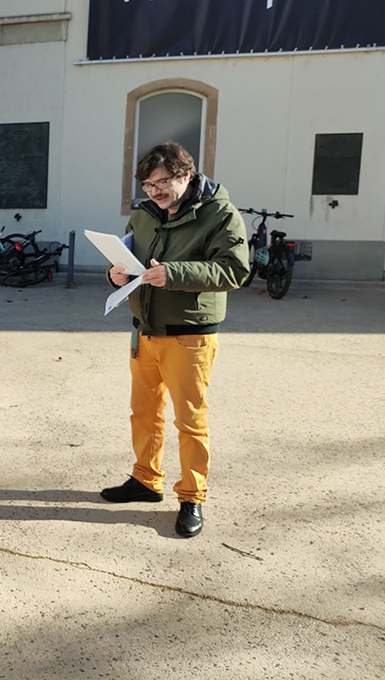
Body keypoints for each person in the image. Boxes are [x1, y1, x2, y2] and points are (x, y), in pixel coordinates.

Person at [101, 140, 248, 538]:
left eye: (162, 182)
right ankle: (145, 480)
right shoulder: (144, 215)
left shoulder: (220, 214)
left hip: (189, 335)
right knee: (143, 412)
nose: (155, 192)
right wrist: (115, 274)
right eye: (148, 186)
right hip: (145, 331)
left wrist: (175, 273)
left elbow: (235, 270)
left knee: (190, 421)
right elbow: (127, 258)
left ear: (186, 174)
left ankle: (191, 497)